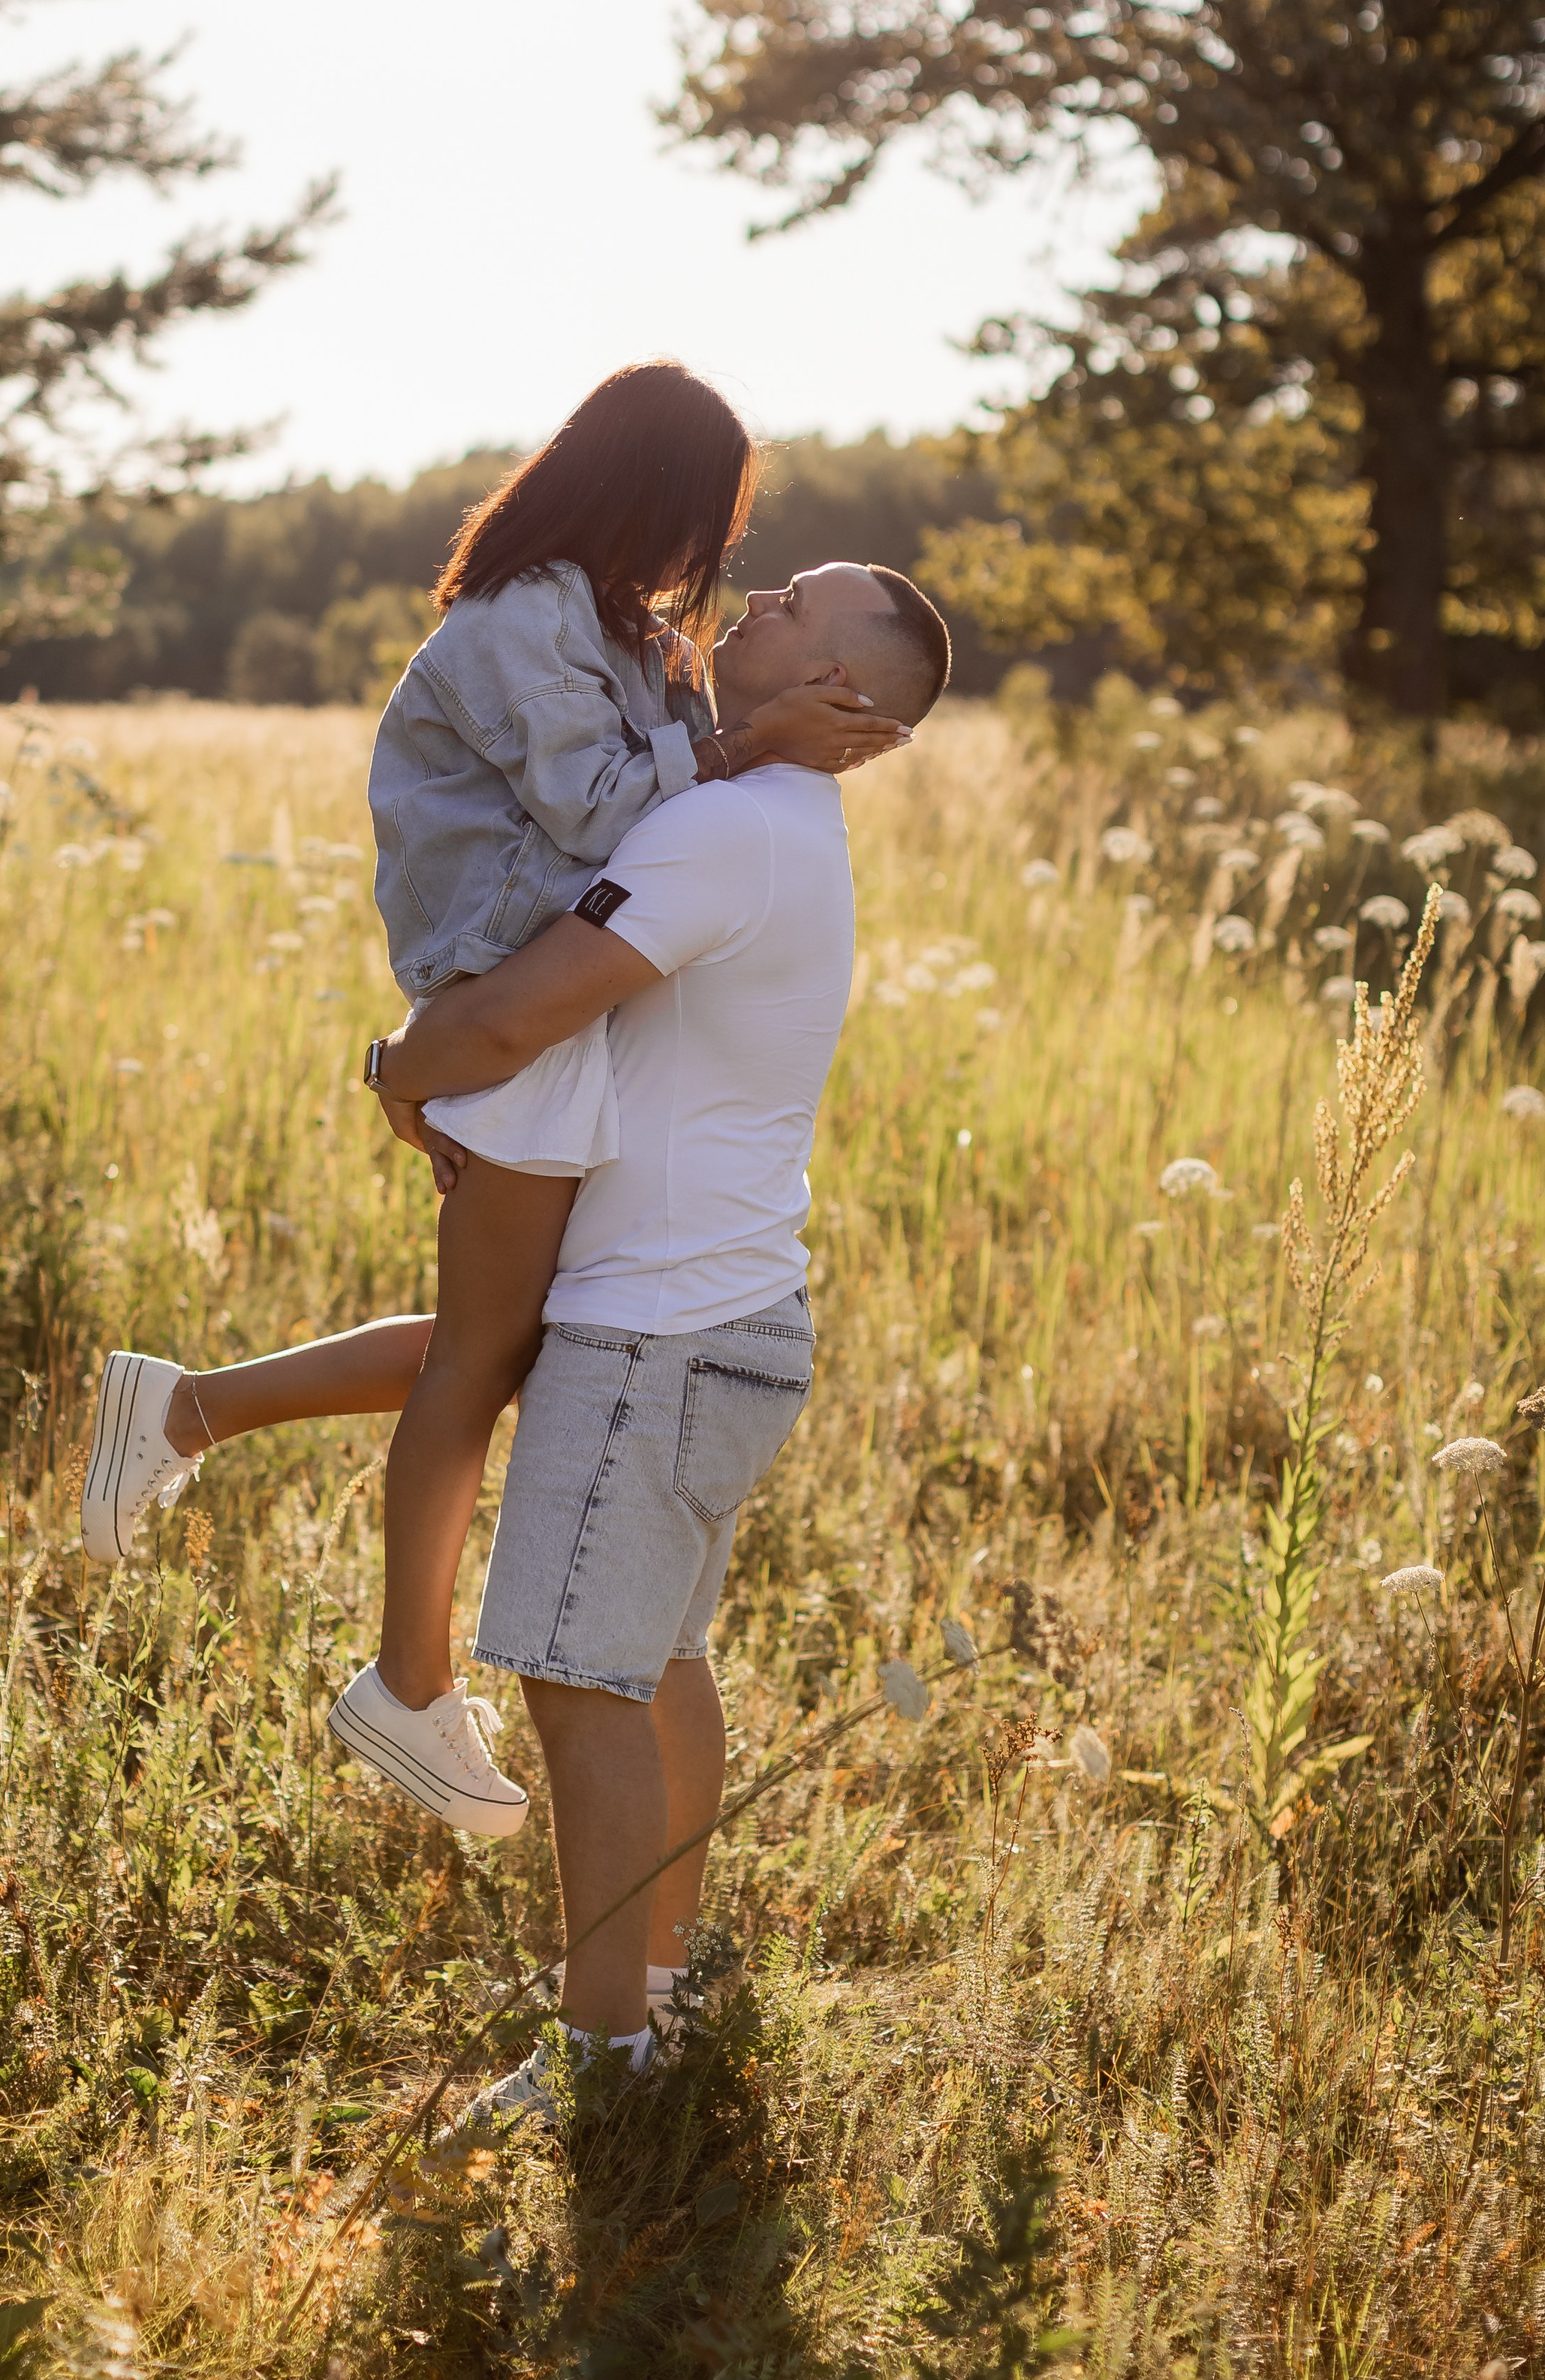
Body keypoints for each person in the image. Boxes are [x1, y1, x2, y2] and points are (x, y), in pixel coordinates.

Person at [79, 366, 909, 1842]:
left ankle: (190, 1409)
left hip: (536, 990)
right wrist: (753, 739)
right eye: (712, 522)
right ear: (646, 492)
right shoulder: (520, 617)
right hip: (499, 981)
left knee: (510, 1340)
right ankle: (404, 1678)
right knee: (485, 1353)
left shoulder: (626, 632)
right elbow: (599, 809)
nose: (721, 563)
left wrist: (744, 723)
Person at [372, 557, 952, 2123]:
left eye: (792, 604)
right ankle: (663, 1991)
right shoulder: (778, 824)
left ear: (836, 690)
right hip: (732, 1322)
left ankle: (603, 2059)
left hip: (654, 1336)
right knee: (654, 1664)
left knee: (578, 1687)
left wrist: (397, 1068)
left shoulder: (722, 832)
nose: (752, 599)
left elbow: (513, 1018)